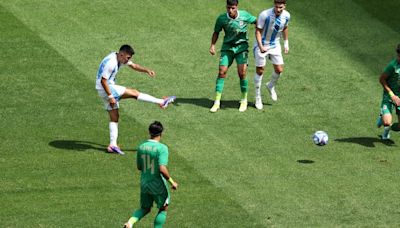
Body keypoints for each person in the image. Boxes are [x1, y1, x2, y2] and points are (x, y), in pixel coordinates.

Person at [96, 44, 176, 155]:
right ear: (122, 54)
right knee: (134, 93)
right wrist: (110, 96)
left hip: (103, 90)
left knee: (114, 117)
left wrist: (146, 70)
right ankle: (161, 102)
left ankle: (112, 145)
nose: (129, 60)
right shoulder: (111, 63)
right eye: (128, 58)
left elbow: (133, 66)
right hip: (107, 89)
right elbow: (103, 81)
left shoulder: (118, 57)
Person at [123, 121, 178, 228]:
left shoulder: (141, 146)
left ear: (149, 132)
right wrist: (172, 181)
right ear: (161, 133)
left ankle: (130, 222)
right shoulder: (162, 148)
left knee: (145, 208)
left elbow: (139, 167)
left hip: (144, 183)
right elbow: (162, 169)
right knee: (163, 208)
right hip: (157, 184)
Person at [209, 0, 257, 112]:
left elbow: (257, 21)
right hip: (227, 48)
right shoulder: (222, 19)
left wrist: (262, 36)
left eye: (233, 8)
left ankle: (244, 100)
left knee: (242, 73)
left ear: (237, 7)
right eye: (228, 8)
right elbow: (216, 32)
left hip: (241, 49)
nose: (230, 10)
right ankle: (217, 102)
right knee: (222, 72)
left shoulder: (245, 15)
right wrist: (212, 45)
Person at [253, 0, 290, 110]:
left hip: (275, 45)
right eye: (276, 7)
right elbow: (258, 31)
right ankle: (258, 97)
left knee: (279, 70)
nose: (278, 9)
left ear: (284, 6)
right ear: (274, 5)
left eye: (281, 7)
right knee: (260, 70)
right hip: (262, 44)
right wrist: (260, 46)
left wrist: (286, 43)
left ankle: (270, 85)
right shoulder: (264, 15)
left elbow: (285, 28)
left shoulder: (287, 15)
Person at [376, 44, 400, 140]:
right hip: (389, 96)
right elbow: (382, 79)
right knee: (386, 122)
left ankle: (388, 129)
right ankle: (383, 117)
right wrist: (392, 95)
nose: (399, 59)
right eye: (398, 56)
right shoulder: (392, 66)